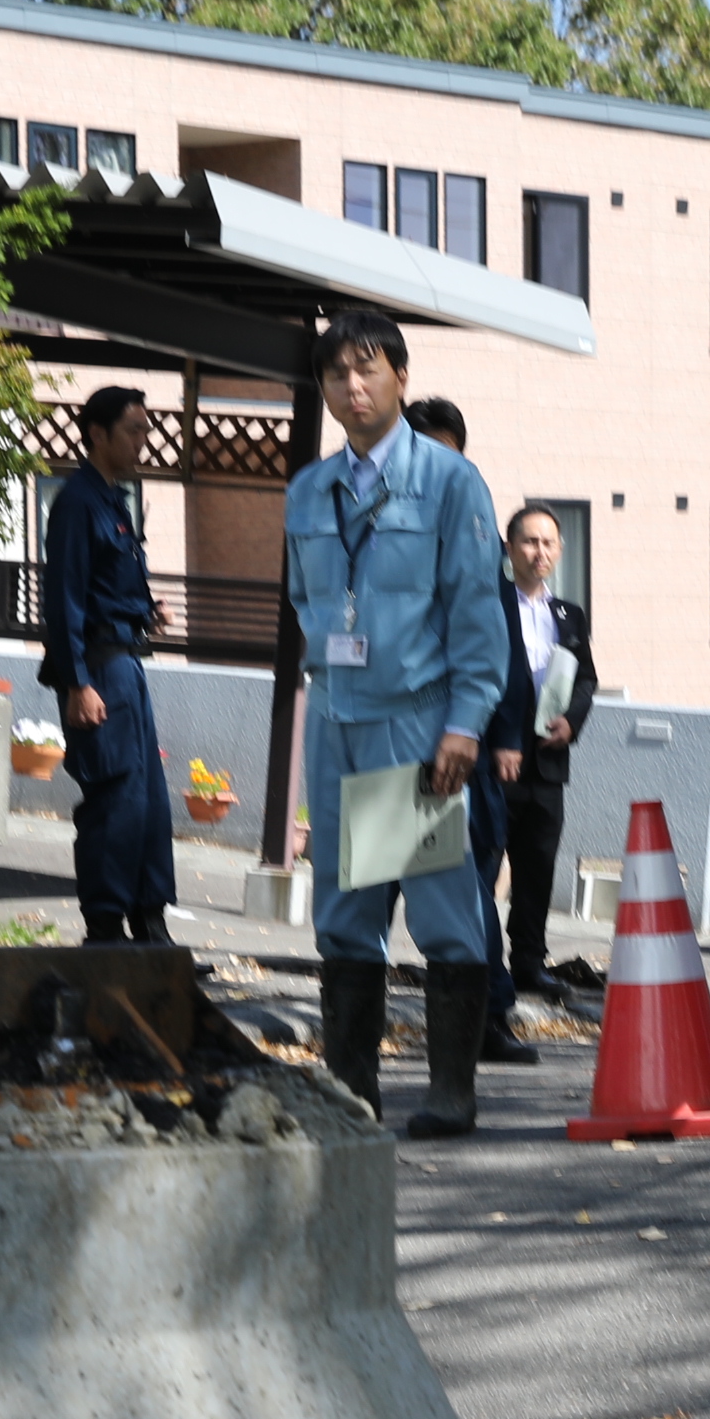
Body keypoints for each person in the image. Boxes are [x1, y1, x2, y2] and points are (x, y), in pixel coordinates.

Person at [279, 309, 505, 1135]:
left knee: (442, 913)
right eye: (337, 374)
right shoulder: (309, 490)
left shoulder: (448, 484)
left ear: (401, 378)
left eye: (368, 369)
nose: (353, 386)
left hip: (414, 725)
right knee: (344, 915)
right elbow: (308, 603)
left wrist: (466, 723)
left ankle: (451, 1090)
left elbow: (477, 615)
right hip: (335, 719)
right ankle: (353, 1090)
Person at [398, 396, 535, 1068]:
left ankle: (487, 1019)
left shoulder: (478, 529)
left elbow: (500, 648)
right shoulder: (378, 524)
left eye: (447, 453)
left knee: (472, 881)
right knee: (400, 889)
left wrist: (505, 734)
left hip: (467, 740)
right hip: (394, 739)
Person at [42, 384, 174, 947]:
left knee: (148, 798)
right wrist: (77, 683)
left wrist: (146, 611)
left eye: (146, 428)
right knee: (115, 795)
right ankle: (105, 926)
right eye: (133, 430)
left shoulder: (113, 500)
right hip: (96, 669)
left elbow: (107, 586)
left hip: (127, 662)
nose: (144, 439)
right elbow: (65, 597)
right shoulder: (77, 502)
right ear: (97, 434)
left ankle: (149, 925)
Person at [484, 500, 597, 1029]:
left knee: (538, 867)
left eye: (549, 542)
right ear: (510, 548)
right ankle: (480, 965)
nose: (540, 552)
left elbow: (587, 680)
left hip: (549, 762)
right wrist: (496, 738)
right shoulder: (489, 604)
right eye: (530, 541)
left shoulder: (567, 615)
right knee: (485, 865)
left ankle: (528, 962)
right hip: (497, 761)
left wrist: (572, 722)